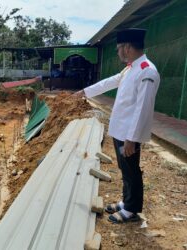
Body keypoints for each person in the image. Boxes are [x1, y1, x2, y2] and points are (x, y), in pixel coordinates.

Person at [74, 28, 160, 224]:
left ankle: (131, 209)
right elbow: (109, 82)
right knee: (125, 168)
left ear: (127, 47)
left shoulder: (147, 71)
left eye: (118, 48)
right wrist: (84, 92)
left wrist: (132, 139)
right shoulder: (131, 68)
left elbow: (142, 109)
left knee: (132, 170)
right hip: (121, 130)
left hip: (130, 134)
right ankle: (126, 201)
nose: (118, 52)